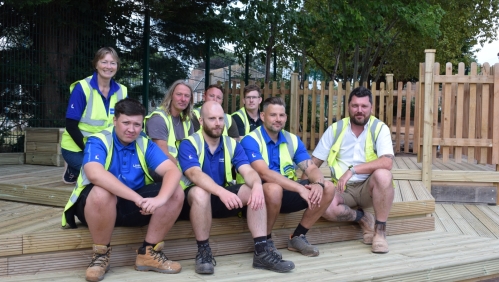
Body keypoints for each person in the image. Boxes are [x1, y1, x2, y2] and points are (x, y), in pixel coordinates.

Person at [61, 98, 184, 281]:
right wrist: (136, 197)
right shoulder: (99, 140)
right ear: (115, 121)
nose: (131, 129)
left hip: (133, 206)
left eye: (137, 124)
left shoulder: (144, 142)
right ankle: (100, 255)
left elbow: (172, 171)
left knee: (175, 192)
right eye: (126, 122)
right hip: (95, 207)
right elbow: (94, 174)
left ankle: (148, 253)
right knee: (102, 192)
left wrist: (159, 200)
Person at [178, 101, 295, 274]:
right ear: (201, 121)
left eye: (220, 118)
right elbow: (195, 175)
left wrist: (256, 186)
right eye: (212, 119)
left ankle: (261, 252)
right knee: (200, 192)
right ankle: (203, 252)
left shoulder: (232, 143)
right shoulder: (189, 143)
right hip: (191, 202)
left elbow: (248, 170)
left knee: (256, 190)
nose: (218, 123)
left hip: (221, 197)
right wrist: (222, 192)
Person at [240, 97, 335, 257]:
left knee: (328, 187)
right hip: (258, 198)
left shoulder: (292, 139)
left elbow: (311, 167)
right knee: (274, 188)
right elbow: (264, 173)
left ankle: (298, 236)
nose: (278, 119)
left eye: (282, 115)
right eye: (273, 115)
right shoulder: (251, 139)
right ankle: (266, 240)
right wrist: (299, 188)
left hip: (286, 191)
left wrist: (318, 183)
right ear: (263, 116)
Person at [311, 86, 394, 254]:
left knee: (384, 175)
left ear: (371, 108)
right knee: (322, 206)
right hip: (342, 190)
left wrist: (352, 170)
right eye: (355, 106)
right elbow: (313, 163)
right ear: (348, 106)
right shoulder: (335, 129)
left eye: (364, 106)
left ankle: (380, 232)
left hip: (369, 189)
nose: (359, 110)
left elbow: (387, 162)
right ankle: (363, 218)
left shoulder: (379, 128)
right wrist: (312, 183)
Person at [61, 47, 127, 184]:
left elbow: (128, 122)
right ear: (96, 64)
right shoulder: (82, 88)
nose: (108, 66)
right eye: (104, 62)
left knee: (121, 174)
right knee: (100, 177)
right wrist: (89, 151)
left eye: (113, 63)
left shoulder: (122, 91)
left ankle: (76, 170)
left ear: (117, 67)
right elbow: (71, 126)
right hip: (76, 147)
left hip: (105, 148)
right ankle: (73, 168)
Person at [144, 80, 194, 165]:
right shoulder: (158, 119)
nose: (183, 99)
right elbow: (162, 155)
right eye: (179, 94)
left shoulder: (187, 121)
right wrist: (185, 170)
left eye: (187, 96)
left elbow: (192, 151)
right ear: (171, 96)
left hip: (180, 166)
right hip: (161, 168)